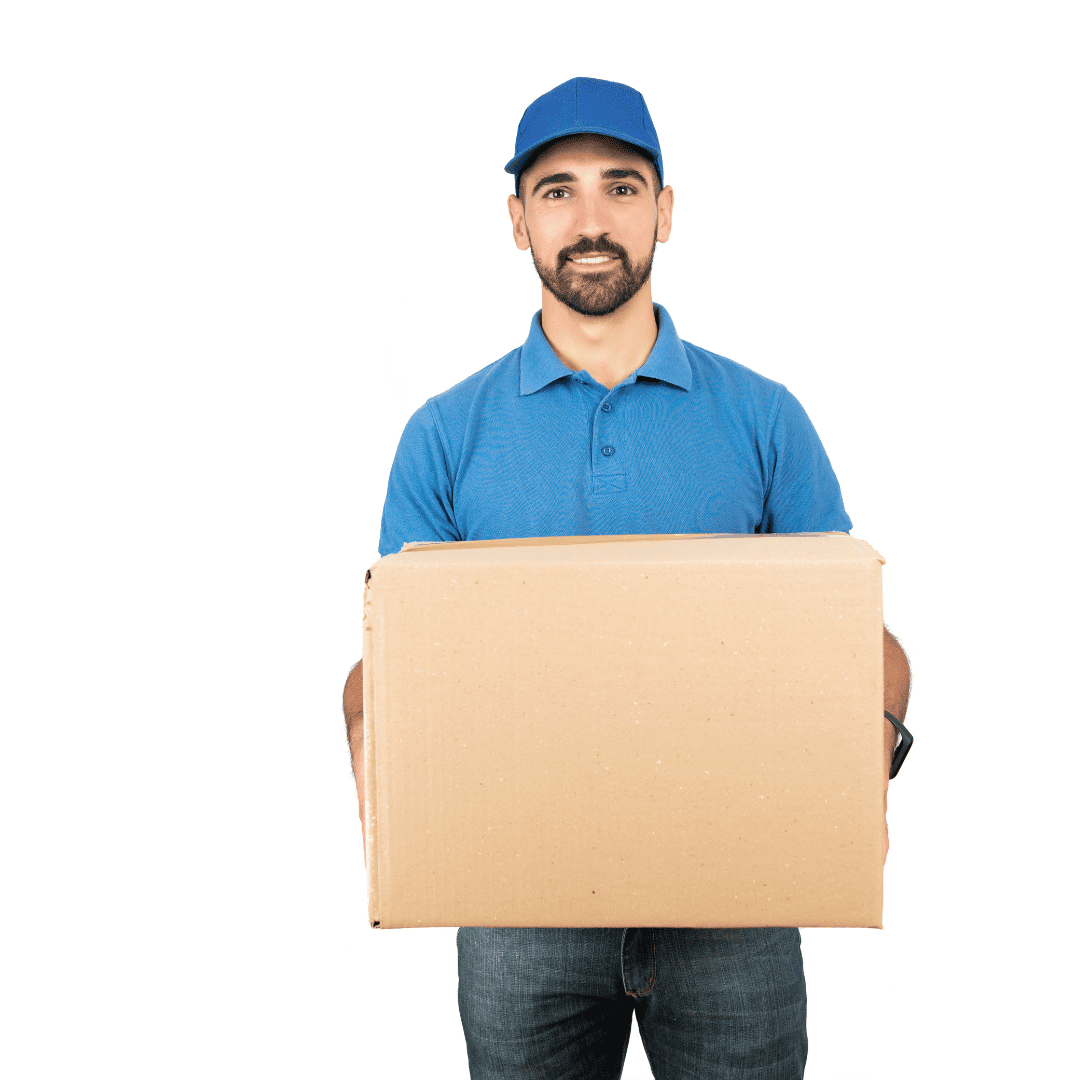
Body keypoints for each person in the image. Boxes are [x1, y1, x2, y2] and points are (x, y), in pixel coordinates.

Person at [343, 76, 912, 1080]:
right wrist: (373, 760)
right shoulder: (443, 435)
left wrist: (867, 754)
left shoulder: (764, 417)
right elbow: (398, 663)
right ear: (517, 222)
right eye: (557, 192)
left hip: (736, 906)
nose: (592, 219)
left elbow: (853, 641)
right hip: (522, 913)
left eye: (621, 185)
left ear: (666, 210)